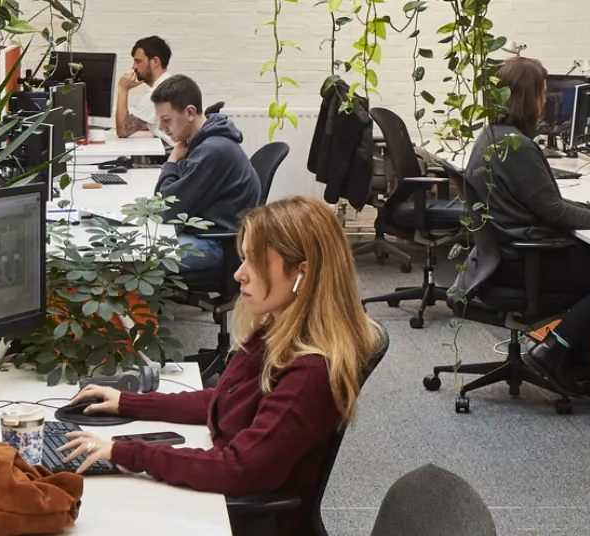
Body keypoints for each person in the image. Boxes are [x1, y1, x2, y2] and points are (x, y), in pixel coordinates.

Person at [59, 197, 381, 533]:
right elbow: (224, 399)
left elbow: (240, 469)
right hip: (226, 503)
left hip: (242, 522)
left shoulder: (310, 373)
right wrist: (127, 402)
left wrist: (125, 452)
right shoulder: (279, 330)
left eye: (254, 262)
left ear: (301, 274)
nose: (239, 274)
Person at [449, 56, 590, 395]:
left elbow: (540, 203)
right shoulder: (516, 147)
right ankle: (553, 349)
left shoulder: (495, 136)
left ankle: (573, 354)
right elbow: (553, 211)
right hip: (520, 262)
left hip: (503, 256)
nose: (546, 100)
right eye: (542, 92)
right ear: (528, 98)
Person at [151, 73, 263, 278]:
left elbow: (163, 209)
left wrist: (171, 161)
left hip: (218, 244)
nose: (161, 128)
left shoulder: (211, 151)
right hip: (206, 231)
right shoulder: (204, 140)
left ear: (190, 113)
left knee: (140, 258)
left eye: (166, 120)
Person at [116, 36, 172, 138]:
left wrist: (123, 89)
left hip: (172, 153)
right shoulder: (169, 84)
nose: (134, 66)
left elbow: (122, 131)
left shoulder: (157, 94)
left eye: (138, 61)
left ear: (155, 62)